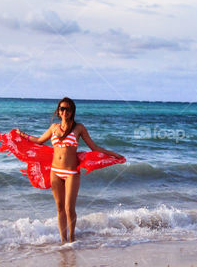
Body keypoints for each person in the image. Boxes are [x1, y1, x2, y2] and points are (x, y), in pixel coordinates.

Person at [18, 97, 122, 243]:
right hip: (55, 171)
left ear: (72, 111)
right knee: (60, 208)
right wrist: (22, 135)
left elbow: (94, 147)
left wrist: (113, 154)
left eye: (68, 109)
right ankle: (63, 240)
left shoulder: (78, 128)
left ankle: (72, 239)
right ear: (58, 111)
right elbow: (39, 141)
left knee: (69, 208)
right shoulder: (54, 127)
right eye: (62, 108)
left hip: (71, 173)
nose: (64, 111)